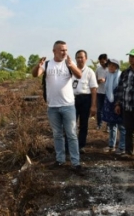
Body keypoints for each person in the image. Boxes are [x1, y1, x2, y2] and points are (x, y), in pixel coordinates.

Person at [32, 40, 84, 174]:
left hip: (68, 106)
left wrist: (71, 65)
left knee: (72, 135)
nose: (64, 52)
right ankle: (60, 160)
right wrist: (37, 65)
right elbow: (35, 74)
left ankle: (76, 163)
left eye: (66, 50)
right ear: (54, 51)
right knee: (57, 135)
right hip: (53, 107)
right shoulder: (48, 64)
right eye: (61, 50)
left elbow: (79, 75)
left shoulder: (68, 64)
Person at [72, 50, 98, 154]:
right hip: (72, 99)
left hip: (85, 99)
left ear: (86, 58)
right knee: (70, 124)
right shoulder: (71, 70)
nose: (79, 59)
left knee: (83, 124)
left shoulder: (89, 72)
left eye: (81, 57)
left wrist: (93, 105)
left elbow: (94, 89)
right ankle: (70, 145)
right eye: (78, 57)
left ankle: (81, 145)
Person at [101, 58, 125, 154]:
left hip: (119, 103)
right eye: (109, 65)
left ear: (117, 67)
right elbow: (107, 90)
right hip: (109, 103)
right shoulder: (108, 76)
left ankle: (122, 147)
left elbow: (122, 91)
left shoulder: (120, 76)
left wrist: (118, 103)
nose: (111, 67)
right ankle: (111, 145)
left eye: (113, 65)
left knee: (122, 126)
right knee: (111, 125)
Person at [96, 54, 108, 130]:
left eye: (103, 62)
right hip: (100, 92)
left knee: (107, 109)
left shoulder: (110, 69)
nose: (102, 63)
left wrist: (105, 80)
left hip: (108, 92)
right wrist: (98, 81)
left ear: (106, 60)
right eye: (100, 62)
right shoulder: (98, 69)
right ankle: (99, 124)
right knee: (99, 109)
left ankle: (108, 126)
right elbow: (94, 80)